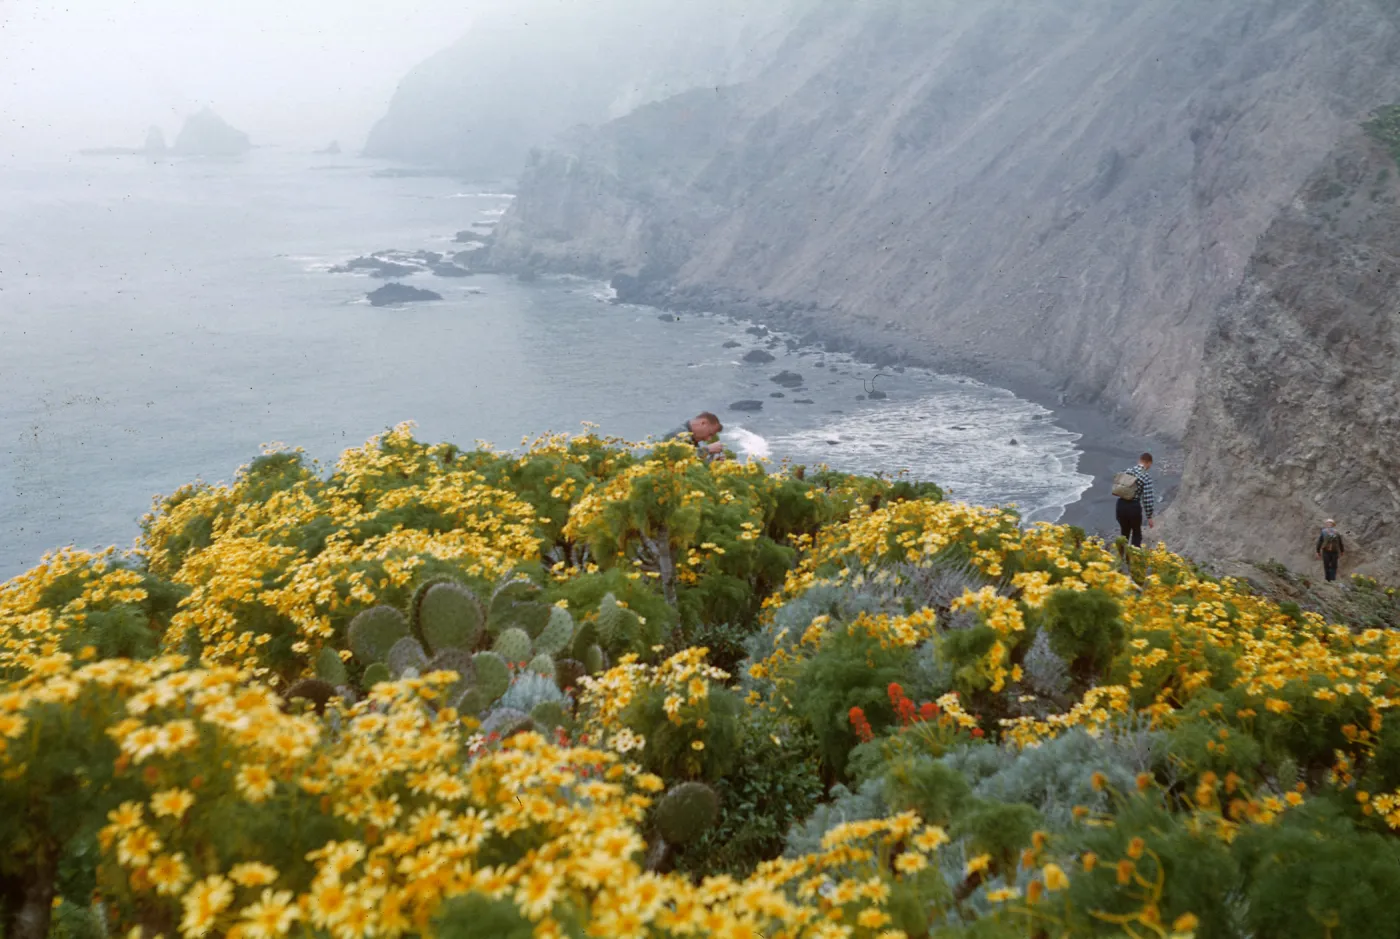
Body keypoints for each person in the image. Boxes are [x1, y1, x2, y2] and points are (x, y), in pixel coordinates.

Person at [1112, 452, 1157, 549]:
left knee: (1124, 533)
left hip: (1120, 504)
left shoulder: (1127, 471)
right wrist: (1149, 516)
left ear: (1139, 461)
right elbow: (1147, 498)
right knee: (1136, 533)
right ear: (1149, 463)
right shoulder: (1146, 477)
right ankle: (1134, 558)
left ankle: (1121, 557)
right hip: (1133, 507)